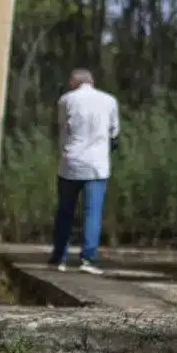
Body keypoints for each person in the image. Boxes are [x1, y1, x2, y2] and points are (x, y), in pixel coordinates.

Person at [49, 68, 120, 275]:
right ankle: (87, 259)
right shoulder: (109, 101)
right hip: (97, 166)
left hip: (70, 164)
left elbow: (63, 129)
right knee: (92, 213)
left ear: (73, 83)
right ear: (91, 81)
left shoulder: (66, 100)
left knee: (65, 212)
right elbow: (114, 133)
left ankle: (59, 258)